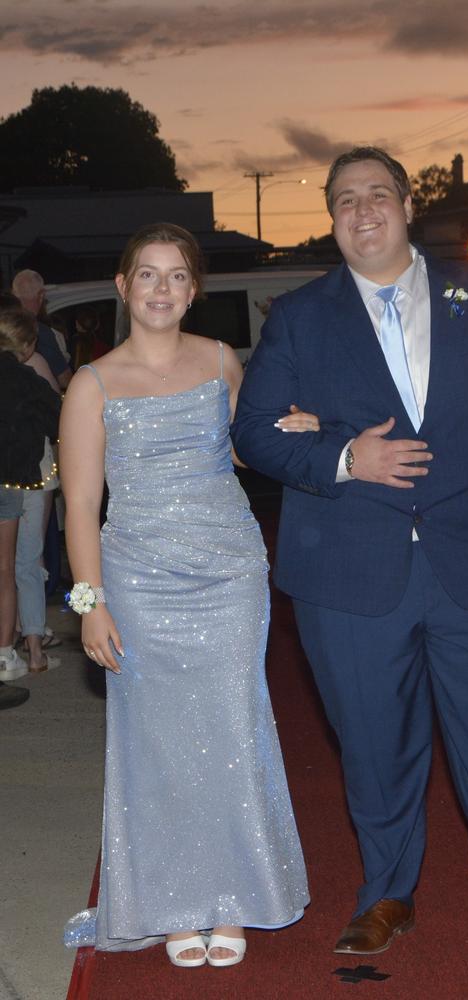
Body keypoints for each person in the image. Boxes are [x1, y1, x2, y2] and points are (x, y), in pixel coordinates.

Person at [233, 147, 468, 958]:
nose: (363, 211)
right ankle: (387, 895)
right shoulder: (299, 315)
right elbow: (252, 432)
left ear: (405, 206)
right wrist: (341, 457)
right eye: (344, 200)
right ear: (331, 220)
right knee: (374, 745)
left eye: (377, 195)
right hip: (352, 572)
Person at [60, 223, 311, 968]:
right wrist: (89, 603)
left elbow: (241, 446)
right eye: (148, 275)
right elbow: (79, 508)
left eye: (176, 276)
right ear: (123, 286)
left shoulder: (219, 359)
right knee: (160, 744)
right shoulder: (92, 383)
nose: (162, 289)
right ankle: (171, 901)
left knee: (233, 727)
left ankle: (232, 894)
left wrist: (290, 428)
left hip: (230, 571)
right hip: (136, 580)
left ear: (193, 290)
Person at [0, 307, 60, 685]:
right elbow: (58, 419)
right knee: (16, 567)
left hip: (14, 483)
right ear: (25, 345)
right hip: (16, 481)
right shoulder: (27, 380)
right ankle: (18, 652)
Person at [11, 269, 72, 389]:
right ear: (41, 295)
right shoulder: (40, 332)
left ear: (13, 293)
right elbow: (65, 380)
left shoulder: (5, 324)